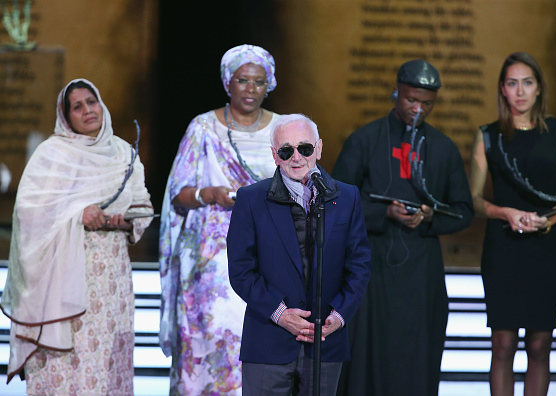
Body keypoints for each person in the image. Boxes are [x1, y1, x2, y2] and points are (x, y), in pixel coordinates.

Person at [0, 78, 154, 394]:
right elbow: (29, 213)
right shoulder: (52, 154)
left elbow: (144, 206)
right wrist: (78, 214)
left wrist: (124, 221)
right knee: (65, 368)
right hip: (63, 280)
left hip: (112, 285)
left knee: (106, 369)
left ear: (102, 105)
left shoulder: (124, 153)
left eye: (91, 101)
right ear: (66, 116)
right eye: (77, 106)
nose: (87, 110)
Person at [333, 59, 474, 396]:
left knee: (417, 353)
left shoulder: (442, 147)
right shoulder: (365, 140)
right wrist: (385, 212)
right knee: (369, 350)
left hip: (422, 268)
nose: (418, 109)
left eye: (427, 103)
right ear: (396, 93)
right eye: (411, 100)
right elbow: (335, 204)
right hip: (372, 266)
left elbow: (463, 211)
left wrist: (427, 217)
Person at [159, 44, 280, 395]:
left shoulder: (284, 129)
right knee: (212, 336)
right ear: (228, 82)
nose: (250, 89)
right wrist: (209, 194)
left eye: (259, 81)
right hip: (211, 259)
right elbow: (178, 194)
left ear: (269, 84)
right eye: (242, 80)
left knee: (257, 337)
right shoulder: (203, 128)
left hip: (267, 253)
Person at [226, 114, 371, 395]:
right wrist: (280, 314)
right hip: (268, 340)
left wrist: (338, 316)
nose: (296, 157)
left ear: (318, 148)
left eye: (304, 148)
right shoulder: (251, 199)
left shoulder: (347, 196)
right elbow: (241, 271)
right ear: (274, 155)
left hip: (326, 341)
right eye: (286, 150)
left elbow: (360, 266)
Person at [469, 52, 556, 396]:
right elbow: (472, 200)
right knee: (502, 345)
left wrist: (545, 222)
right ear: (502, 89)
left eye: (527, 83)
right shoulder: (487, 136)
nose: (520, 91)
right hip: (504, 250)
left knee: (539, 345)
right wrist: (507, 213)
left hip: (546, 249)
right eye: (512, 83)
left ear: (538, 89)